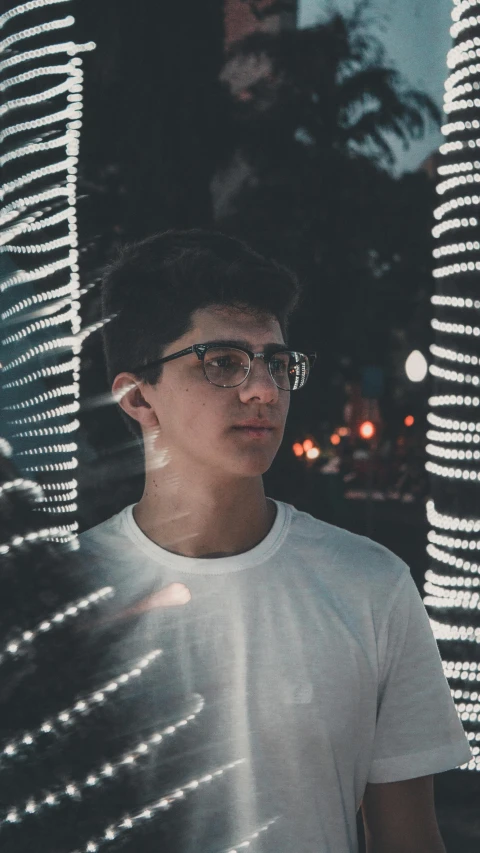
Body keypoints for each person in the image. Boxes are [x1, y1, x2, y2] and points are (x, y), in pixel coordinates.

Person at [78, 228, 472, 853]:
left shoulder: (371, 586)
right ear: (135, 396)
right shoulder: (57, 602)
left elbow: (409, 838)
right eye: (224, 362)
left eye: (277, 363)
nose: (264, 389)